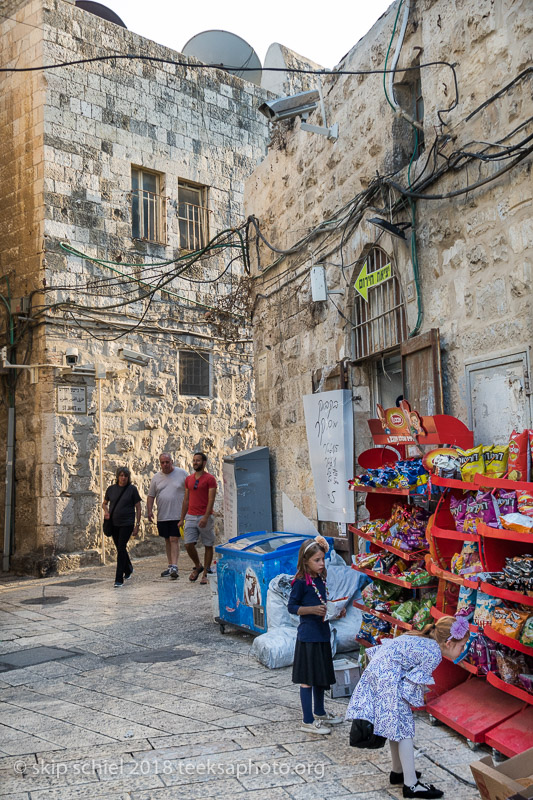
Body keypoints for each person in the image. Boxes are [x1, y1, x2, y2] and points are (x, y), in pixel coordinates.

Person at [346, 616, 470, 799]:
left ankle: (398, 772)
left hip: (379, 675)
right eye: (462, 646)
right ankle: (411, 785)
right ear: (450, 643)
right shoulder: (434, 652)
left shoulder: (424, 639)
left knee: (397, 728)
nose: (463, 649)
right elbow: (411, 685)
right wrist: (412, 703)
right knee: (404, 730)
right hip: (388, 679)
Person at [287, 535, 345, 735]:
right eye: (317, 560)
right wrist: (312, 610)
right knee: (308, 678)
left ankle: (320, 711)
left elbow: (323, 604)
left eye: (322, 559)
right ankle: (307, 720)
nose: (321, 564)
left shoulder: (320, 579)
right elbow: (292, 607)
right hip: (308, 636)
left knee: (321, 676)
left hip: (322, 634)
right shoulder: (300, 582)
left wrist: (335, 612)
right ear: (305, 562)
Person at [147, 453, 187, 580]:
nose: (165, 465)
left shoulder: (182, 474)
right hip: (163, 515)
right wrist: (149, 510)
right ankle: (170, 565)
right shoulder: (156, 478)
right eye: (162, 462)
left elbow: (190, 491)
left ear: (172, 461)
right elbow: (151, 495)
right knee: (167, 540)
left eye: (167, 462)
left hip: (178, 514)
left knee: (174, 539)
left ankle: (175, 566)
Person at [179, 452, 217, 585]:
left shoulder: (210, 479)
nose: (195, 462)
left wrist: (206, 517)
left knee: (208, 544)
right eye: (194, 460)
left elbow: (211, 499)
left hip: (204, 515)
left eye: (198, 460)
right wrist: (181, 518)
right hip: (190, 515)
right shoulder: (189, 479)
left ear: (204, 463)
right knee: (188, 544)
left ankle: (206, 572)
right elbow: (186, 499)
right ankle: (198, 565)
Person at [102, 467, 142, 588]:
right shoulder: (111, 489)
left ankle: (119, 578)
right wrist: (106, 511)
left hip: (127, 523)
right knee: (120, 548)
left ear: (128, 477)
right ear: (117, 476)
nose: (123, 478)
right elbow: (104, 503)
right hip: (114, 523)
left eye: (125, 476)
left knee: (121, 547)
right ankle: (128, 568)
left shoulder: (132, 490)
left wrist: (137, 525)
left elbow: (138, 507)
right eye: (121, 475)